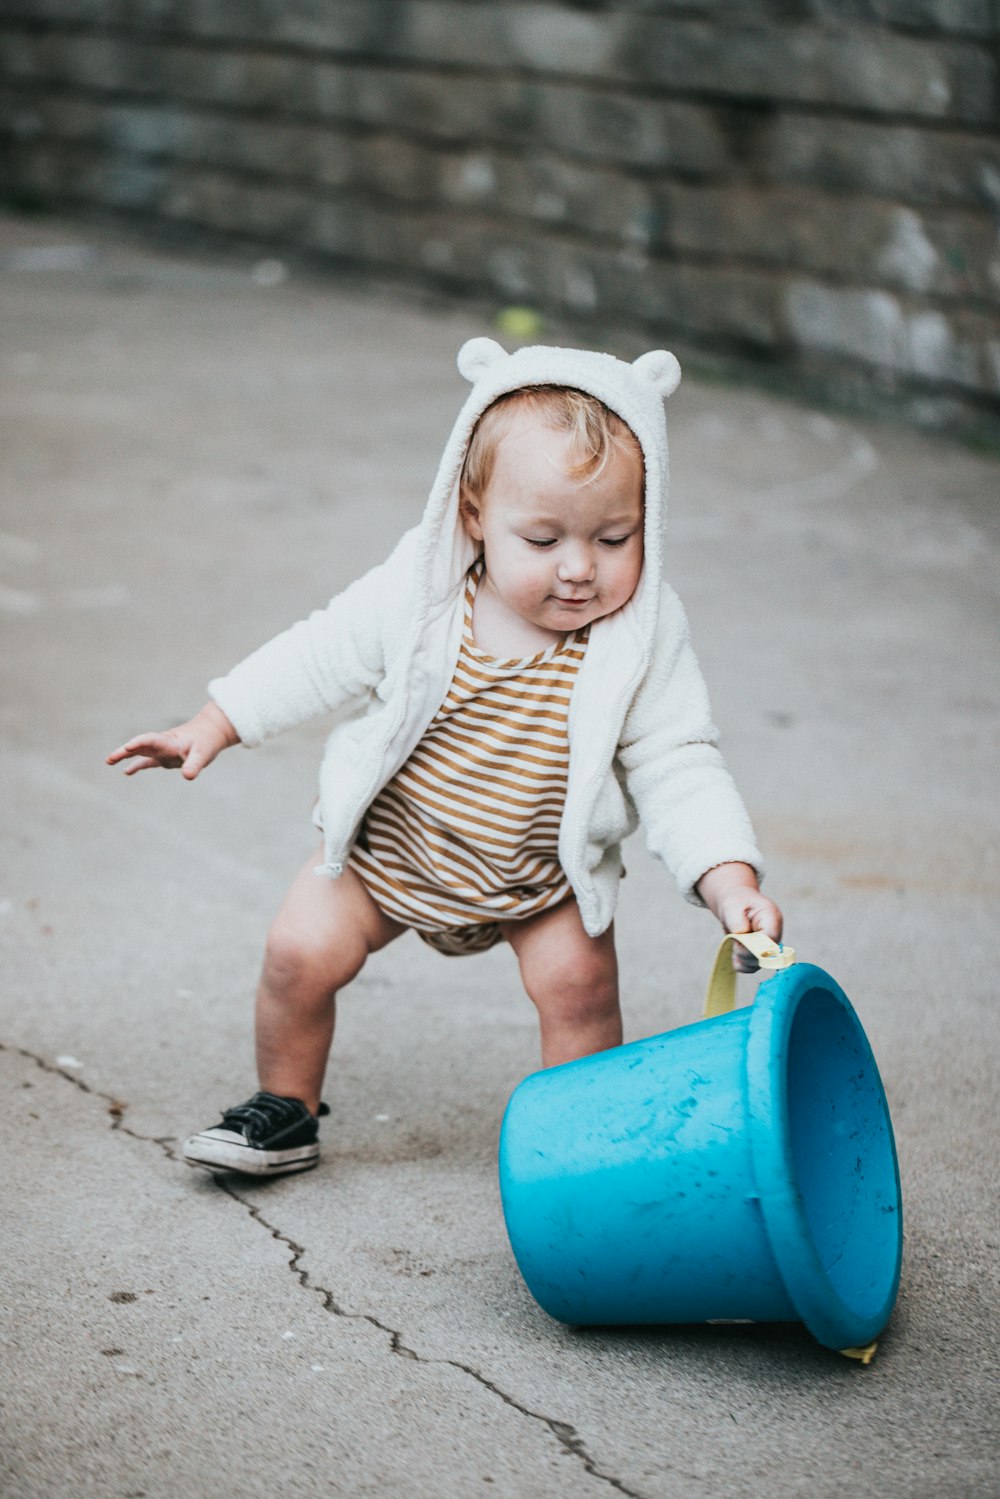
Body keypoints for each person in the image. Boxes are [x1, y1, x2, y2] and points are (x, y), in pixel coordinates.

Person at [107, 337, 782, 1178]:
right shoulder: (419, 594)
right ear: (473, 515)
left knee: (579, 990)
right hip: (392, 854)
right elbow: (319, 655)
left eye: (616, 536)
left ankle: (580, 1153)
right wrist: (217, 719)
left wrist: (729, 877)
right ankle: (284, 1110)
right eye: (541, 538)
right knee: (296, 954)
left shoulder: (642, 634)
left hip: (541, 880)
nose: (580, 569)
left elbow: (678, 757)